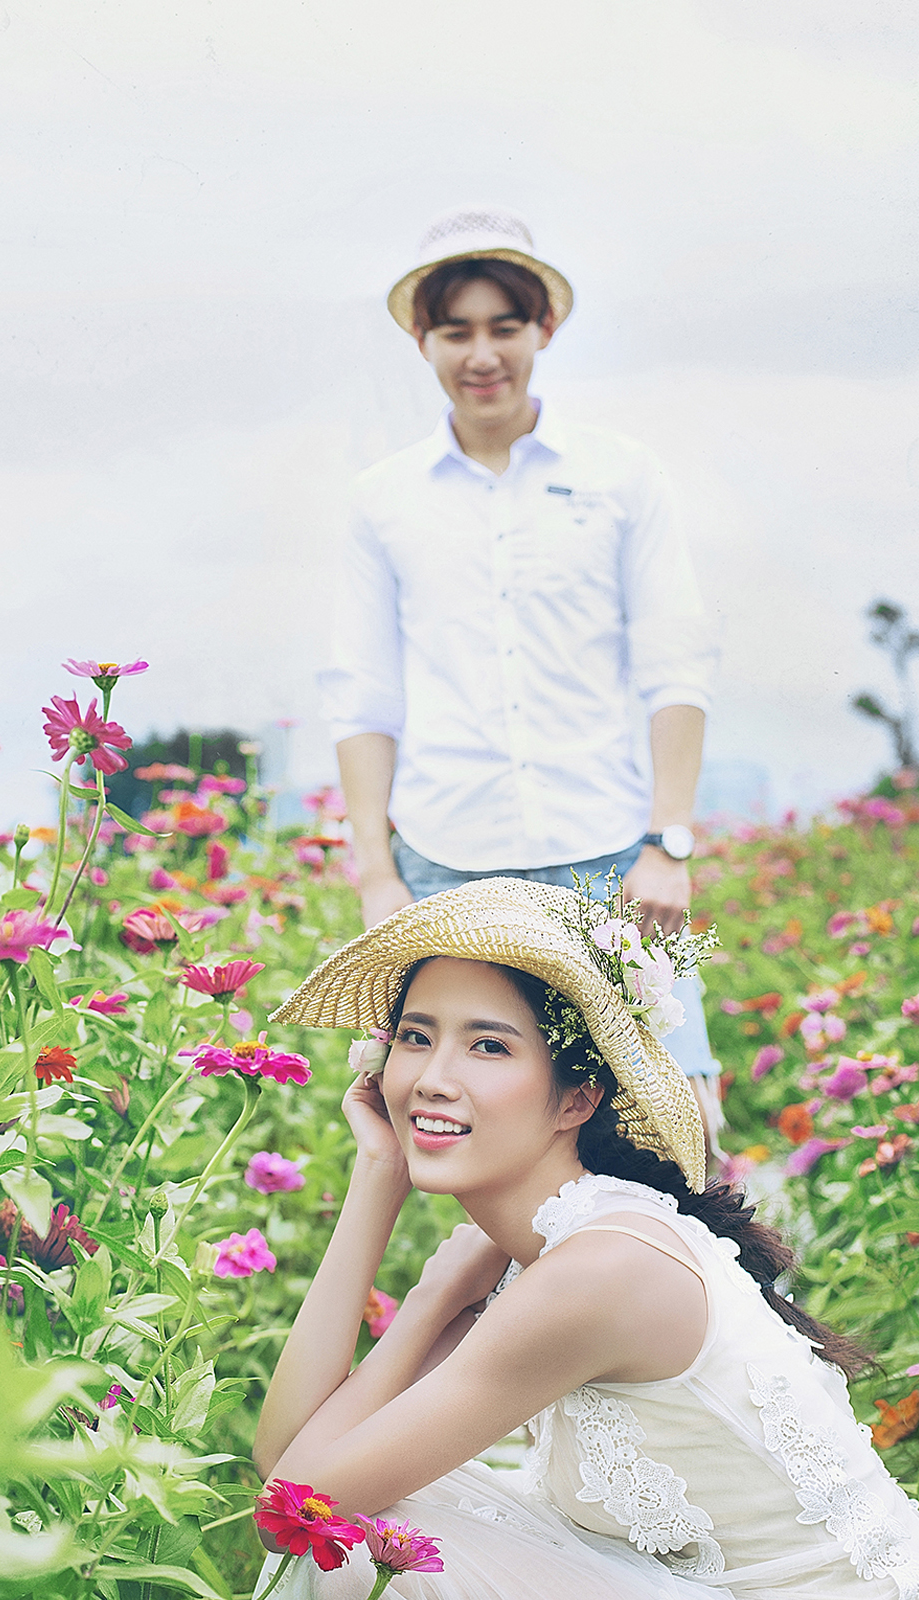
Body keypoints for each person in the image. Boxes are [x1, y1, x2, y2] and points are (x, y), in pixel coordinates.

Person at [252, 878, 919, 1599]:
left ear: (577, 1098)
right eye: (416, 1037)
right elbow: (287, 1461)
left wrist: (432, 1298)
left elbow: (294, 1508)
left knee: (359, 1553)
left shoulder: (598, 1270)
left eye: (488, 1046)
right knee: (376, 1526)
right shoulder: (545, 1246)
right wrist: (378, 1176)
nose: (432, 1079)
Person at [318, 206, 724, 1146]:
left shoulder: (622, 477)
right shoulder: (384, 500)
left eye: (504, 327)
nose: (482, 354)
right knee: (471, 1139)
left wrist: (668, 842)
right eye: (456, 331)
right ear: (421, 339)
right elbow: (362, 693)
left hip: (610, 858)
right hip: (446, 859)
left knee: (682, 1127)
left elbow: (675, 664)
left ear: (544, 327)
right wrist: (377, 875)